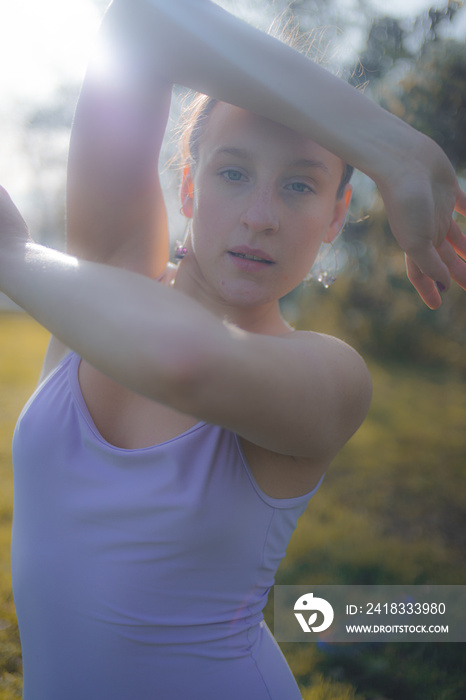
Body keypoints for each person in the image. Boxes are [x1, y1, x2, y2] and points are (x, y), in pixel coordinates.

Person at [1, 0, 465, 698]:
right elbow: (137, 23)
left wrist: (11, 256)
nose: (260, 217)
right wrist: (389, 146)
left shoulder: (333, 376)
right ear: (187, 183)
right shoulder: (107, 279)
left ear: (338, 213)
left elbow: (186, 363)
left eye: (301, 185)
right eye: (233, 172)